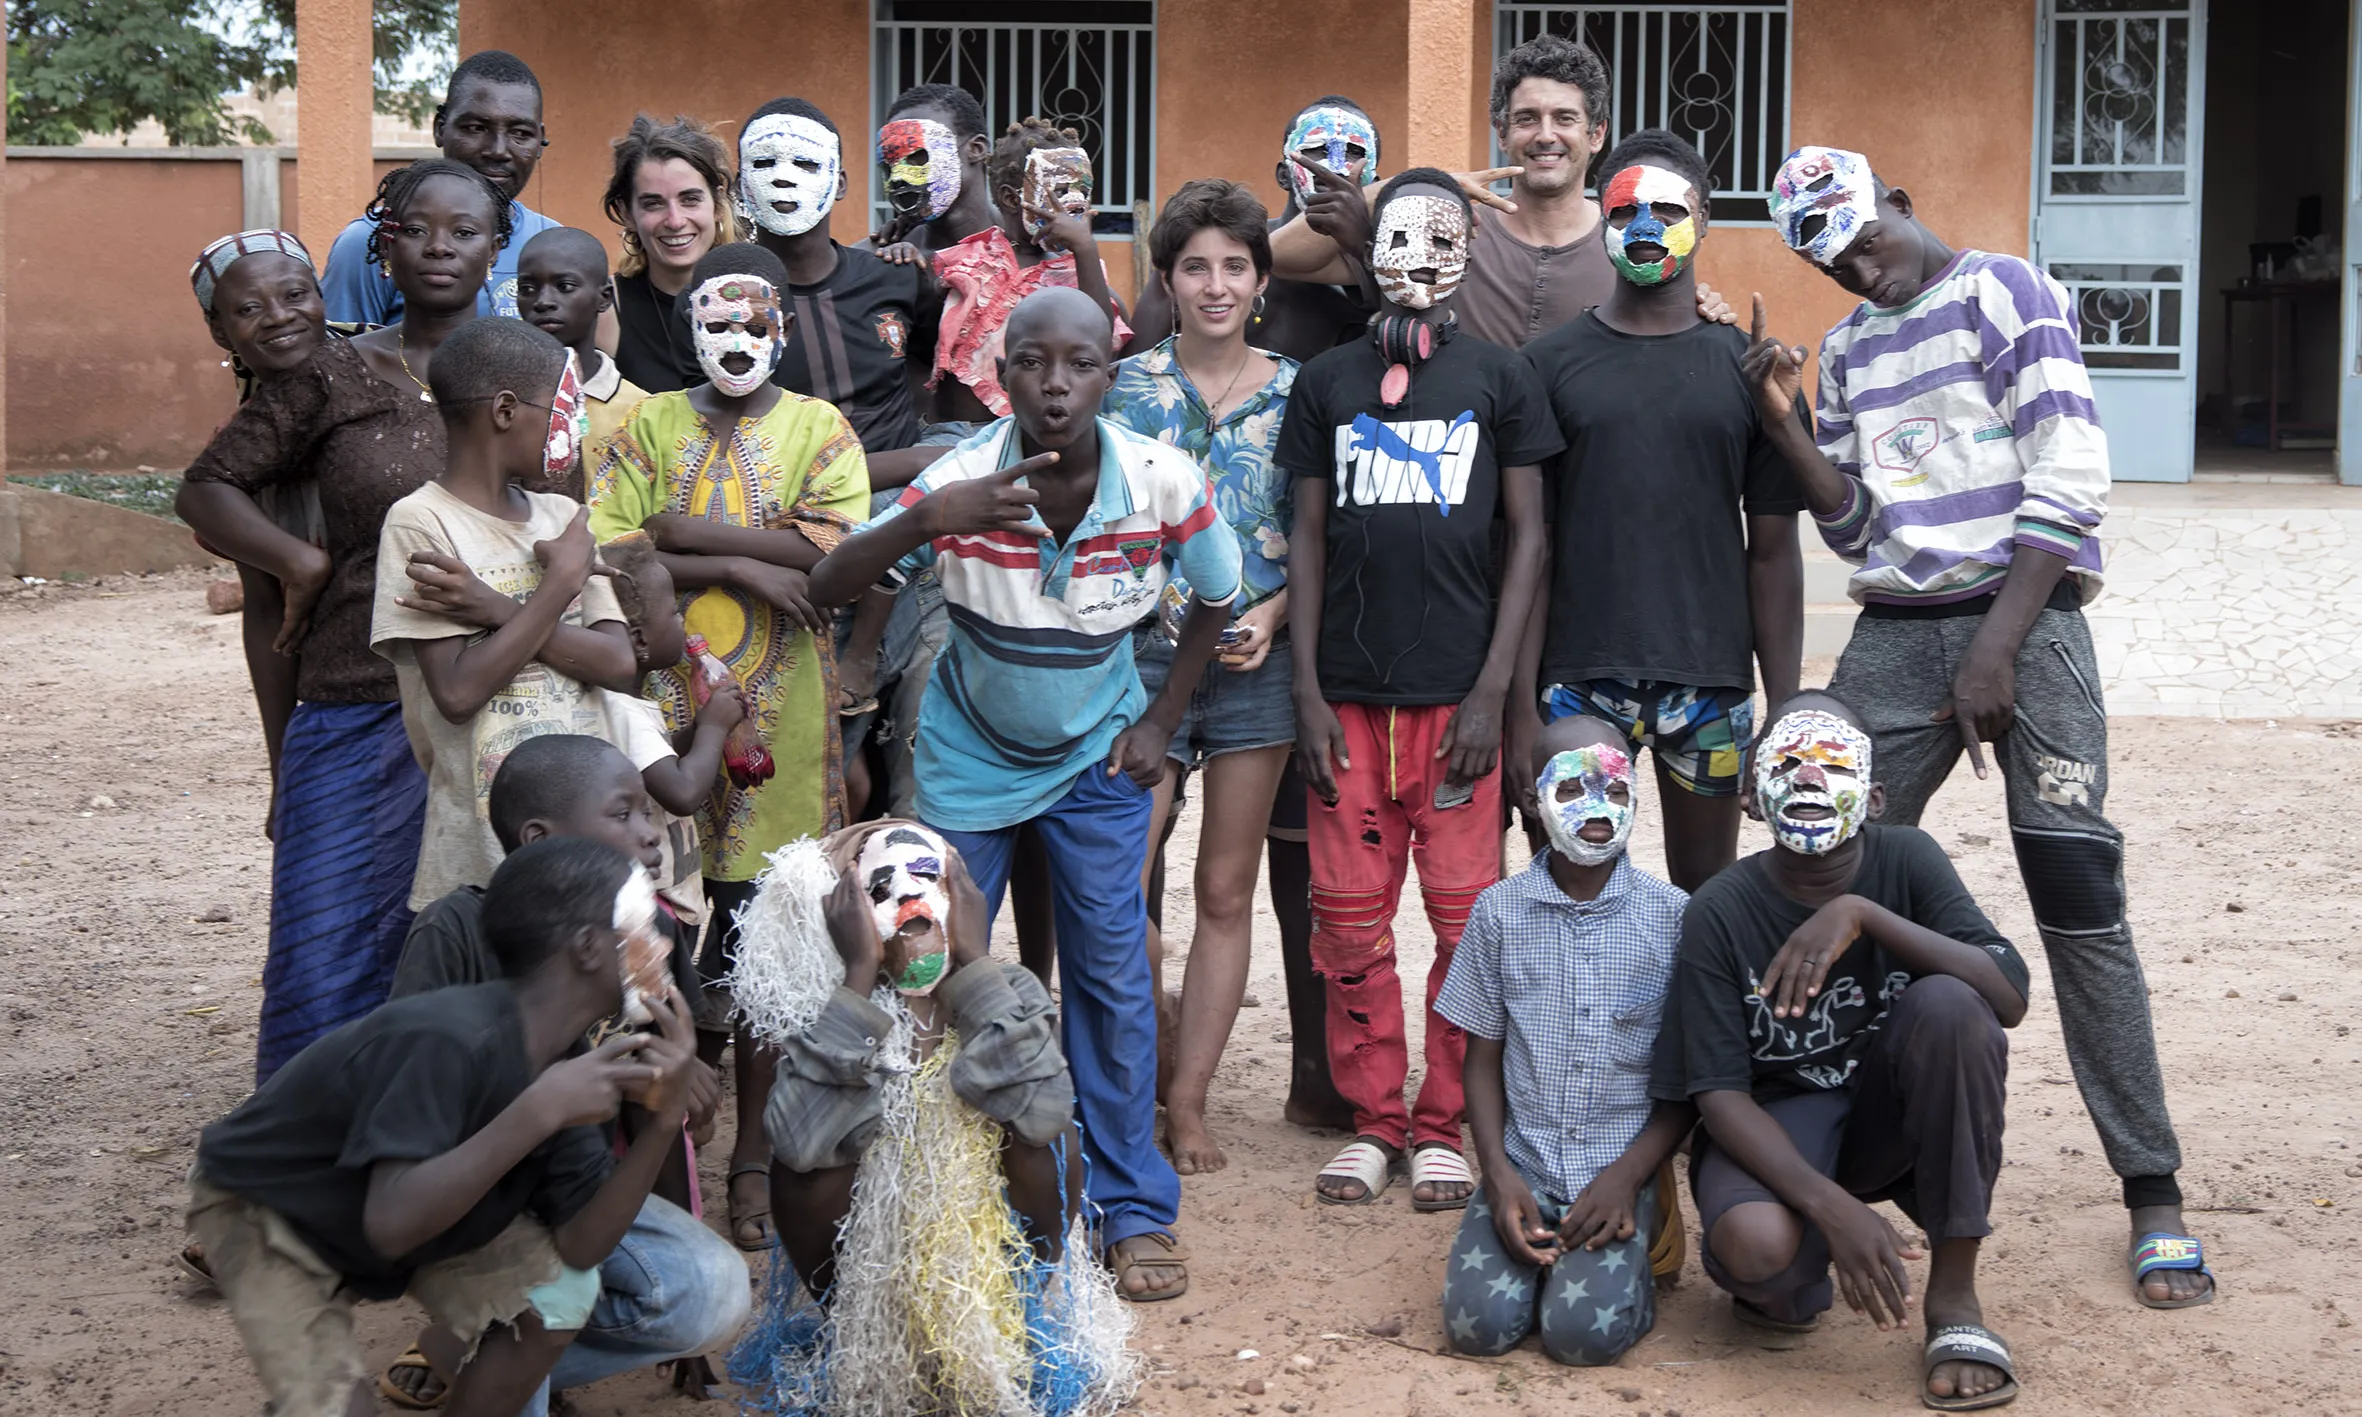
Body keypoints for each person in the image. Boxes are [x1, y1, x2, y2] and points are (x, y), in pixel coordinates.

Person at [1749, 146, 2213, 1312]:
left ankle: (2150, 1189)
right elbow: (1856, 529)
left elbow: (2069, 475)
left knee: (2075, 892)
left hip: (2026, 616)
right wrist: (1787, 423)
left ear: (1899, 202)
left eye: (1868, 240)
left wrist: (1999, 645)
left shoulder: (2006, 289)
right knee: (1812, 863)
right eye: (1834, 264)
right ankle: (1810, 1162)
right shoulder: (1852, 349)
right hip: (1899, 632)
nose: (1863, 270)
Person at [808, 286, 1245, 1301]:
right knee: (928, 968)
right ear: (1000, 376)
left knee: (1110, 978)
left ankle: (1131, 1207)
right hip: (969, 756)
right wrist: (932, 513)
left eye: (1080, 364)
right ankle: (939, 1196)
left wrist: (1159, 721)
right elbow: (829, 583)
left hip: (1098, 757)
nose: (1056, 385)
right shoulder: (962, 474)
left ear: (1112, 370)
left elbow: (1219, 595)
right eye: (1033, 364)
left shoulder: (1159, 477)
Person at [185, 837, 724, 1417]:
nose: (662, 945)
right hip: (268, 1209)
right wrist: (539, 1110)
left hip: (411, 1214)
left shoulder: (563, 1063)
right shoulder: (446, 1037)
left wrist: (665, 1121)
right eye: (646, 924)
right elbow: (391, 1224)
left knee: (561, 1294)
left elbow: (581, 1246)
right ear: (590, 947)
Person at [176, 158, 512, 1080]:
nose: (439, 247)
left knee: (469, 953)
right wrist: (301, 561)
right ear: (383, 243)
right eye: (417, 229)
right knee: (322, 945)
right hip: (357, 699)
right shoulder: (329, 370)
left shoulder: (524, 367)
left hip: (501, 704)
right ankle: (293, 1176)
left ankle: (439, 1170)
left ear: (497, 245)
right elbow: (206, 488)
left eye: (466, 229)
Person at [1279, 170, 1562, 1211]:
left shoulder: (1500, 378)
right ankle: (1372, 1121)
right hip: (1345, 705)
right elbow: (1305, 536)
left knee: (1462, 923)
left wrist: (1495, 689)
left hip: (1457, 709)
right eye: (1398, 235)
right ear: (1376, 249)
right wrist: (1304, 690)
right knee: (1349, 925)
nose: (1418, 258)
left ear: (1465, 256)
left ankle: (1442, 1120)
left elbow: (1530, 535)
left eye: (1441, 238)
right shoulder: (1326, 384)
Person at [588, 242, 872, 1253]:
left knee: (766, 946)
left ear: (784, 328)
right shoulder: (647, 424)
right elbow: (612, 541)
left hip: (785, 723)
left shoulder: (820, 429)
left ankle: (753, 1155)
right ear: (688, 327)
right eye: (716, 324)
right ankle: (640, 1159)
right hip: (650, 712)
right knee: (642, 925)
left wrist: (681, 531)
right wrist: (743, 564)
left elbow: (830, 544)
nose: (736, 341)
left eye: (755, 324)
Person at [1650, 691, 2028, 1409]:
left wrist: (1862, 913)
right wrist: (1833, 1209)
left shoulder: (1908, 859)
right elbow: (1719, 1092)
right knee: (1761, 1253)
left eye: (1832, 762)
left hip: (1889, 1115)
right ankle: (1793, 1280)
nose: (1810, 779)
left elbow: (2007, 995)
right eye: (1788, 762)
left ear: (1876, 796)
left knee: (1953, 1005)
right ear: (1753, 800)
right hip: (1781, 1124)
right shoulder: (1720, 909)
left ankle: (1954, 1299)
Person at [723, 821, 1138, 1416]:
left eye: (926, 878)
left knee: (1049, 1136)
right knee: (801, 1161)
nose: (909, 900)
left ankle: (1014, 1318)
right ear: (847, 916)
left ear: (962, 898)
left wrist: (973, 963)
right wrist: (859, 981)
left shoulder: (1009, 987)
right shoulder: (829, 1007)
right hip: (867, 1269)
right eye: (882, 888)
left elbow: (1044, 1115)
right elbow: (801, 1144)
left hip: (985, 1264)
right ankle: (855, 1330)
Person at [380, 735, 737, 1410]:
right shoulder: (455, 931)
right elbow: (414, 1105)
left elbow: (664, 1131)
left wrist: (683, 1100)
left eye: (647, 812)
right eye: (623, 813)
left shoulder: (648, 941)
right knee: (538, 1287)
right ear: (540, 838)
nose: (650, 833)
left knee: (709, 1290)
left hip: (578, 1195)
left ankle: (492, 1354)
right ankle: (497, 1351)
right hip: (472, 1199)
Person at [1515, 129, 1805, 891]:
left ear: (1704, 220)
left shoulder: (1753, 374)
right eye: (1625, 210)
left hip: (1710, 682)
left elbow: (1773, 552)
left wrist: (1784, 704)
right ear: (1601, 220)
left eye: (1666, 210)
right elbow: (1526, 545)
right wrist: (1520, 705)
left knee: (1705, 899)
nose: (1645, 228)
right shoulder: (1544, 369)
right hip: (1575, 682)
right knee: (1567, 898)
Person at [1102, 179, 1305, 1173]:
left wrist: (1273, 612)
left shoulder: (1299, 391)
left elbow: (1322, 532)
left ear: (1261, 280)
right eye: (1195, 267)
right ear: (1169, 280)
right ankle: (1153, 1027)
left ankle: (1186, 1101)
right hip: (1142, 661)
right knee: (1114, 881)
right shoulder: (1123, 389)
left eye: (1234, 266)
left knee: (1225, 889)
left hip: (1254, 665)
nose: (1215, 284)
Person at [1435, 714, 1691, 1365]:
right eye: (1572, 790)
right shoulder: (1498, 913)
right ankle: (1548, 1260)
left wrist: (1628, 1175)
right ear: (1531, 798)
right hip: (1526, 1164)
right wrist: (1496, 1173)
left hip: (1617, 1171)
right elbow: (1482, 1055)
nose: (1596, 808)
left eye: (1613, 788)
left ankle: (1645, 1244)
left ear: (1636, 792)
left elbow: (1688, 1077)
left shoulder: (1672, 918)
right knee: (1477, 1328)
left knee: (1580, 1337)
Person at [370, 317, 638, 914]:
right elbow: (459, 692)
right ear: (506, 410)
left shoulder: (560, 515)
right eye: (566, 407)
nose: (578, 424)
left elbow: (619, 664)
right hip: (480, 855)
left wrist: (493, 608)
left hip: (593, 846)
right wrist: (560, 584)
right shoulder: (421, 523)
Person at [188, 229, 332, 787]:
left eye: (296, 295)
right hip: (338, 689)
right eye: (250, 308)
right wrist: (283, 770)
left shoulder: (390, 392)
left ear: (321, 297)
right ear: (220, 330)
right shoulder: (238, 458)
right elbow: (267, 613)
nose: (278, 317)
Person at [1130, 96, 1378, 364]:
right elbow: (1134, 375)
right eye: (1316, 149)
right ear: (1283, 175)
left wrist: (1364, 247)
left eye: (1355, 152)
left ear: (1373, 184)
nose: (1334, 167)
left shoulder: (1388, 263)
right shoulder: (1220, 248)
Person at [322, 50, 559, 325]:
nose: (498, 150)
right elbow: (337, 359)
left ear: (540, 141)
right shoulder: (373, 241)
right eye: (475, 128)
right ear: (440, 128)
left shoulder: (551, 241)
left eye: (521, 134)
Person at [924, 117, 1133, 422]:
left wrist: (1085, 250)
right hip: (957, 432)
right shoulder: (971, 256)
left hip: (1037, 431)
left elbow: (1101, 338)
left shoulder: (1078, 270)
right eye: (1061, 191)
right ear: (1012, 199)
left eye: (1082, 191)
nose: (1074, 203)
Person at [601, 114, 742, 393]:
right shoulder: (606, 309)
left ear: (717, 203)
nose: (675, 221)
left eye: (690, 199)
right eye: (653, 203)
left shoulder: (757, 297)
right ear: (627, 213)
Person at [518, 225, 646, 492]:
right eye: (528, 288)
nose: (543, 301)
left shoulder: (641, 411)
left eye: (564, 286)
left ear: (604, 297)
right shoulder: (506, 401)